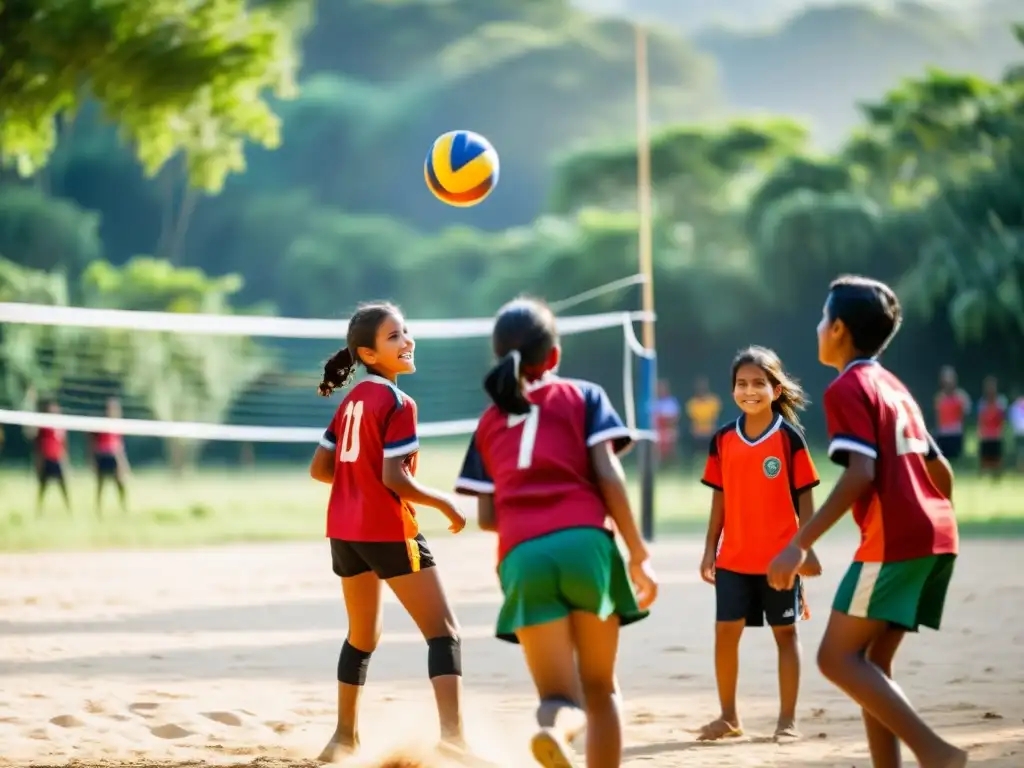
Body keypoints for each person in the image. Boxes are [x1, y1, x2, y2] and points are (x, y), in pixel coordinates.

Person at [768, 275, 967, 768]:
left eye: (821, 319)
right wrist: (930, 518)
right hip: (937, 533)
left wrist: (798, 544)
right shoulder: (894, 386)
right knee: (871, 664)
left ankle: (936, 754)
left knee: (835, 659)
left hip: (895, 539)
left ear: (837, 329)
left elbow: (861, 473)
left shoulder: (848, 387)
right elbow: (939, 468)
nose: (817, 328)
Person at [454, 296, 657, 768]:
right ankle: (568, 739)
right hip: (586, 544)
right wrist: (638, 551)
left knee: (557, 695)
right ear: (555, 356)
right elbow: (608, 475)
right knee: (601, 690)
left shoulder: (488, 422)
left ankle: (553, 729)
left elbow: (487, 517)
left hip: (522, 555)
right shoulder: (582, 396)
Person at [306, 301, 472, 764]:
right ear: (370, 354)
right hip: (387, 530)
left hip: (344, 531)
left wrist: (356, 483)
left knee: (362, 635)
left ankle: (343, 738)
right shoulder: (398, 402)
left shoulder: (352, 401)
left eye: (405, 332)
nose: (406, 341)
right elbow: (395, 479)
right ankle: (454, 742)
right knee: (445, 634)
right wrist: (445, 503)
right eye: (394, 337)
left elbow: (320, 468)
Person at [698, 346, 821, 743]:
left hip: (780, 561)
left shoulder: (789, 438)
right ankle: (728, 716)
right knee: (724, 633)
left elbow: (805, 495)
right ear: (732, 388)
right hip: (733, 558)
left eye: (758, 383)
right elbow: (719, 499)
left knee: (785, 634)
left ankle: (787, 721)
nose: (749, 391)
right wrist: (708, 550)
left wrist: (805, 547)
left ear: (776, 388)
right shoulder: (722, 440)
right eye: (741, 384)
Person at [89, 397, 129, 515]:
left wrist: (123, 462)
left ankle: (123, 508)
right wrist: (93, 459)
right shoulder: (101, 424)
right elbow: (93, 443)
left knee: (120, 483)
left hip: (114, 456)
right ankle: (98, 510)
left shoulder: (118, 425)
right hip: (103, 456)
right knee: (101, 485)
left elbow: (120, 445)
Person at [35, 400, 71, 515]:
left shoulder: (60, 426)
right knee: (43, 487)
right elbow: (37, 444)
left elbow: (64, 444)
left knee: (63, 486)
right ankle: (39, 510)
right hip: (46, 459)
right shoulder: (43, 426)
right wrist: (39, 461)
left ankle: (68, 509)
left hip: (57, 459)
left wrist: (65, 460)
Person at [933, 366, 970, 463]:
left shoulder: (961, 397)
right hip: (943, 434)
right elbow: (938, 417)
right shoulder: (939, 398)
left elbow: (964, 416)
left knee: (956, 460)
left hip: (956, 433)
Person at [976, 376, 1007, 479]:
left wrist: (1001, 431)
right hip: (985, 435)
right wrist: (980, 431)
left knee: (997, 459)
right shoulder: (982, 403)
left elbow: (1002, 419)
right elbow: (981, 419)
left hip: (996, 435)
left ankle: (997, 477)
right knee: (984, 459)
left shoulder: (1000, 402)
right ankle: (982, 477)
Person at [686, 376, 721, 464]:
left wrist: (712, 431)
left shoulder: (713, 401)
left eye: (703, 387)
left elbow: (714, 419)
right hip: (697, 434)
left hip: (710, 433)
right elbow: (692, 421)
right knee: (697, 455)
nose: (701, 389)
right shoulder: (692, 403)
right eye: (700, 387)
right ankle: (693, 465)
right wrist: (695, 432)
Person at [652, 379, 681, 466]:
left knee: (672, 437)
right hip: (656, 431)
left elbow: (674, 419)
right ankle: (658, 466)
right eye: (659, 388)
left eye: (662, 388)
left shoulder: (671, 402)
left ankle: (674, 465)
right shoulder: (653, 402)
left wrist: (664, 422)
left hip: (669, 429)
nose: (660, 390)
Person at [1009, 391, 1024, 472]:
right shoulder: (1014, 407)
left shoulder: (1014, 407)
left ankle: (1020, 468)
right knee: (1019, 451)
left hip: (1018, 432)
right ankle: (1020, 468)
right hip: (1019, 433)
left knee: (1020, 451)